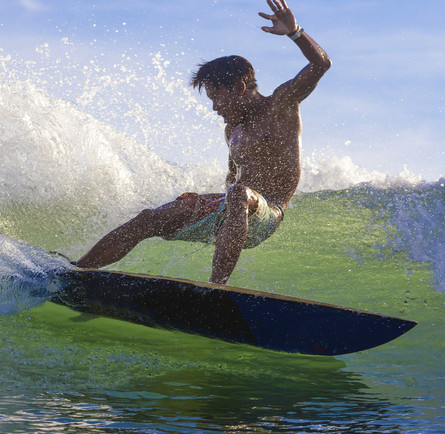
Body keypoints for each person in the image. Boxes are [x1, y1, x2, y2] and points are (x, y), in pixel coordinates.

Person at [76, 0, 331, 284]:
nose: (214, 108)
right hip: (232, 208)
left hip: (267, 213)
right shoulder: (232, 130)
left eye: (216, 98)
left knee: (238, 194)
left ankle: (216, 290)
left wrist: (295, 32)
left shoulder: (281, 105)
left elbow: (321, 63)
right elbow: (231, 178)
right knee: (149, 218)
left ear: (239, 88)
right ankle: (78, 271)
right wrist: (200, 207)